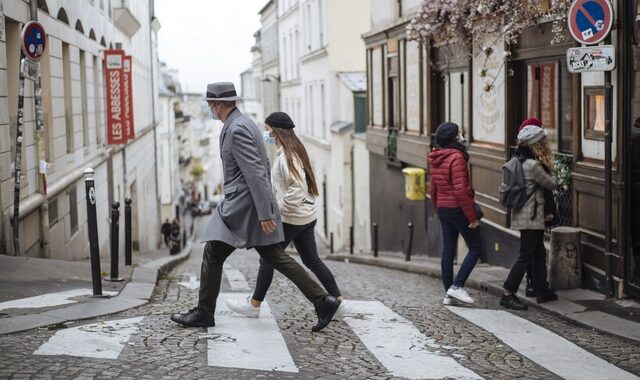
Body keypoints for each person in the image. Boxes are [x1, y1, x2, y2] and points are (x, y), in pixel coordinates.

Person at [170, 82, 340, 332]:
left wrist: (264, 213)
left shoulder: (237, 129)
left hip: (243, 207)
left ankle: (205, 312)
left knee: (215, 252)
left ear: (218, 105)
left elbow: (256, 173)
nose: (209, 109)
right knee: (274, 256)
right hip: (248, 204)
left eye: (209, 104)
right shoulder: (243, 122)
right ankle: (322, 301)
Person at [225, 112, 343, 317]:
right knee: (312, 260)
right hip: (306, 216)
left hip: (292, 218)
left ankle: (254, 305)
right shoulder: (295, 151)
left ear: (276, 131)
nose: (265, 133)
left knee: (268, 257)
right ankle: (338, 301)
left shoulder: (288, 157)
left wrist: (278, 212)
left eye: (267, 129)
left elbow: (296, 188)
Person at [501, 123, 558, 310]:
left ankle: (541, 289)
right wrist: (551, 167)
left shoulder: (517, 160)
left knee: (538, 252)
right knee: (525, 256)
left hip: (523, 215)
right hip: (532, 217)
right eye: (543, 141)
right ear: (536, 144)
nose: (546, 144)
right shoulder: (533, 165)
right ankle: (508, 293)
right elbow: (551, 184)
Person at [428, 122, 481, 305]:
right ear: (454, 138)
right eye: (459, 134)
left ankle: (448, 294)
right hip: (458, 209)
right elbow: (461, 191)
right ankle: (456, 287)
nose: (462, 136)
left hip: (443, 208)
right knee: (476, 247)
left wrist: (437, 210)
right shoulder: (457, 157)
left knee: (448, 251)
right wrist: (472, 218)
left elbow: (433, 189)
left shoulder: (435, 157)